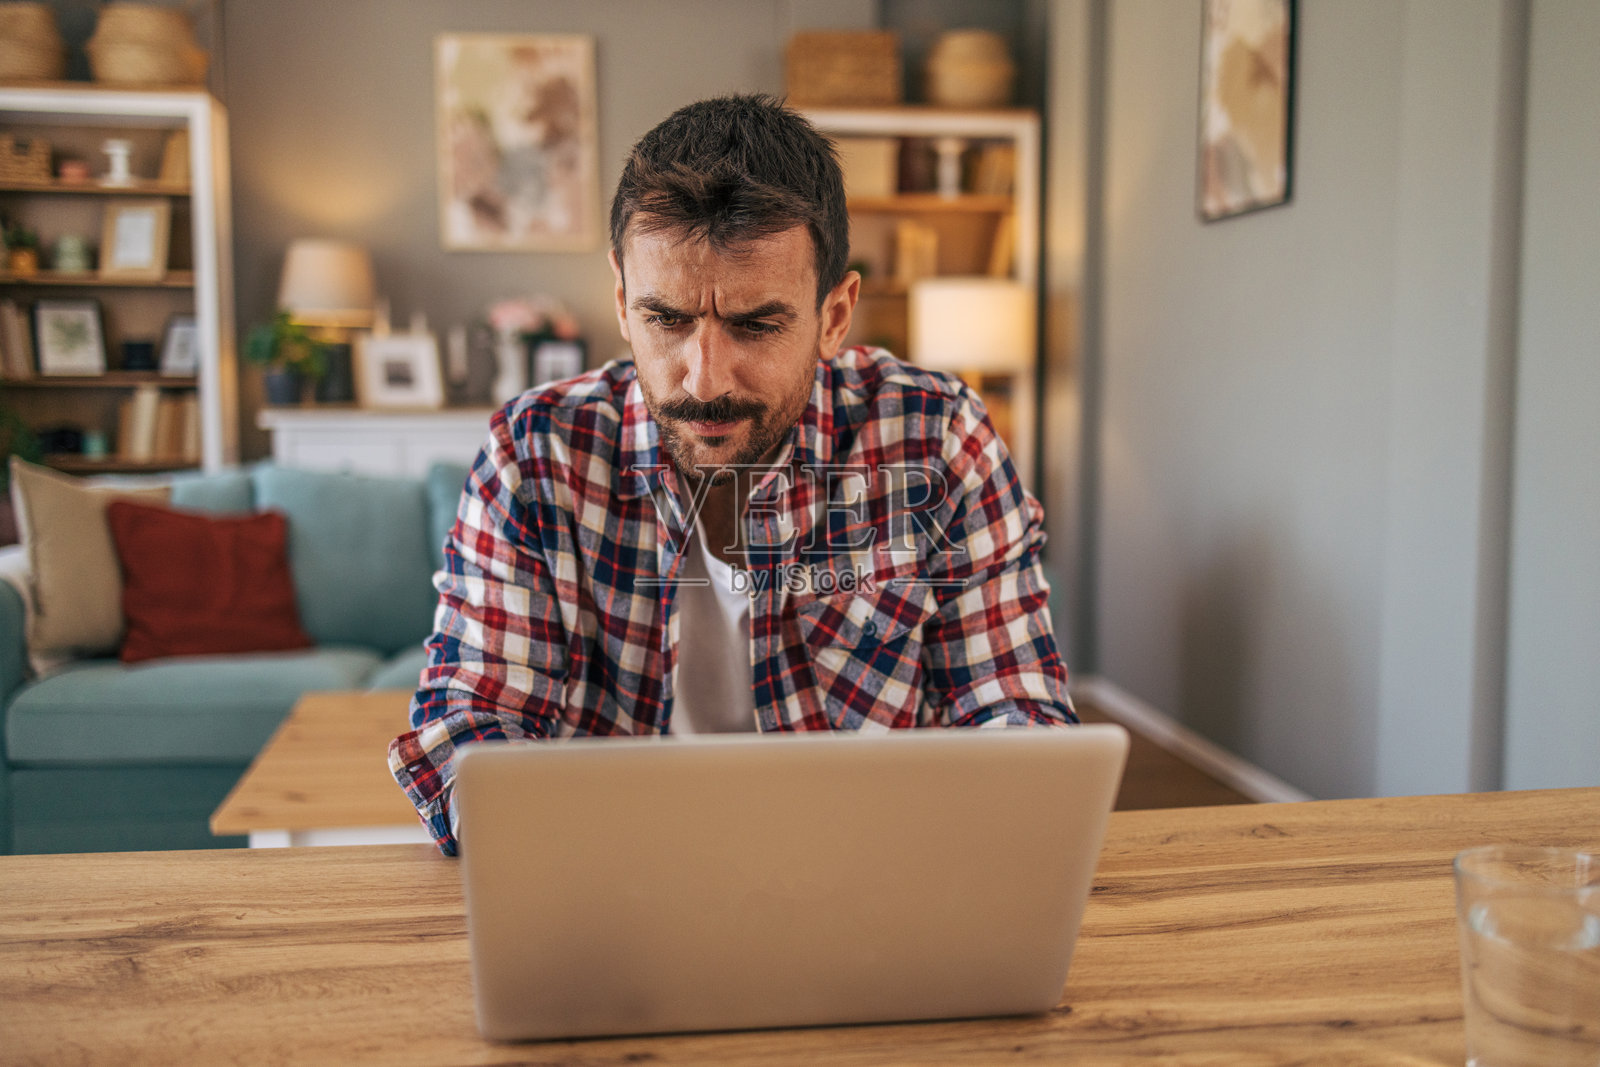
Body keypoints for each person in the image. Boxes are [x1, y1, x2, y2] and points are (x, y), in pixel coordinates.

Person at [389, 94, 1075, 855]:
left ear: (835, 314)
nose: (704, 377)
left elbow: (1018, 717)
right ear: (621, 299)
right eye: (667, 319)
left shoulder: (935, 439)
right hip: (617, 897)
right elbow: (471, 728)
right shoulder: (536, 453)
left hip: (866, 885)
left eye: (755, 323)